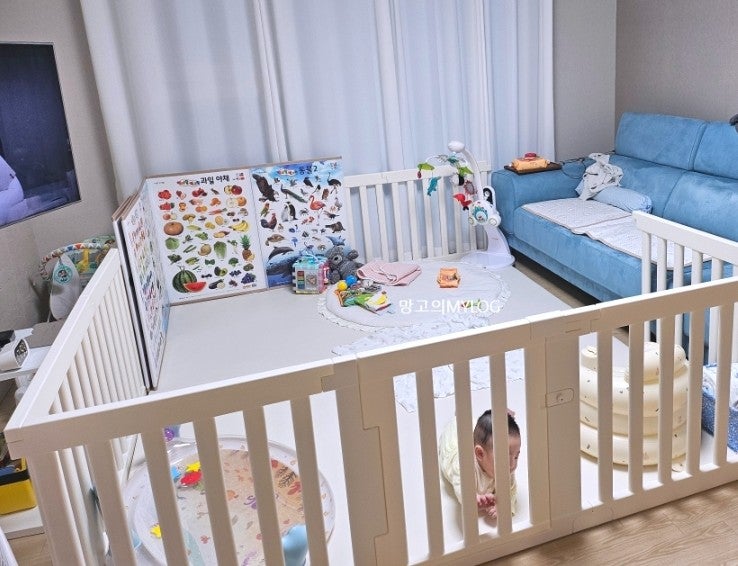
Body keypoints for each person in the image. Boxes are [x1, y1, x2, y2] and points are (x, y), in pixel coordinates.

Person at [439, 409, 521, 518]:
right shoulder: (464, 465)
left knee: (482, 431)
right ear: (480, 453)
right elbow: (462, 489)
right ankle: (460, 414)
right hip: (454, 439)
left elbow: (511, 491)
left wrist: (506, 505)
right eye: (504, 458)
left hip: (476, 436)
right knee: (461, 423)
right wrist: (473, 499)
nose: (512, 465)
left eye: (516, 456)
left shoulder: (506, 469)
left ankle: (492, 412)